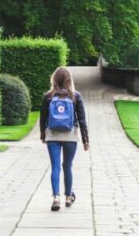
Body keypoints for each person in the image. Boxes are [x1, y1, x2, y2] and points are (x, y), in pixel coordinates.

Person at [39, 66, 89, 211]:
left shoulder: (48, 97)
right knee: (67, 166)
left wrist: (43, 135)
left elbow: (42, 119)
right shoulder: (75, 96)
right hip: (70, 136)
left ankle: (56, 198)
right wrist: (86, 140)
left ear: (54, 79)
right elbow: (82, 120)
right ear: (69, 80)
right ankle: (68, 197)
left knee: (55, 167)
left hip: (52, 135)